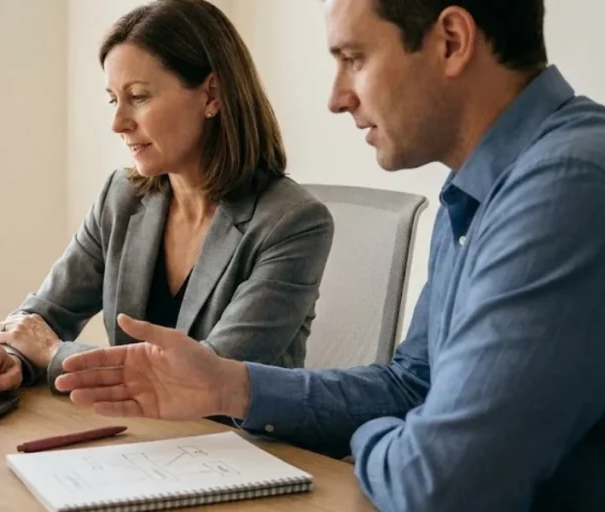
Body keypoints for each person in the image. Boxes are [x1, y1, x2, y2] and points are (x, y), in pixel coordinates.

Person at [54, 0, 605, 510]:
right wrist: (230, 385)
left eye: (354, 58)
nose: (337, 97)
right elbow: (410, 386)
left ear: (452, 41)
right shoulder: (475, 194)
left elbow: (443, 484)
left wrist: (384, 436)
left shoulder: (568, 186)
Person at [0, 0, 335, 401]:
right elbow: (47, 312)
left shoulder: (293, 222)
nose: (118, 123)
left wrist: (52, 353)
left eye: (140, 97)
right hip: (138, 442)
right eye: (114, 99)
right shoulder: (122, 197)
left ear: (211, 95)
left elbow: (207, 380)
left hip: (238, 451)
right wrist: (7, 355)